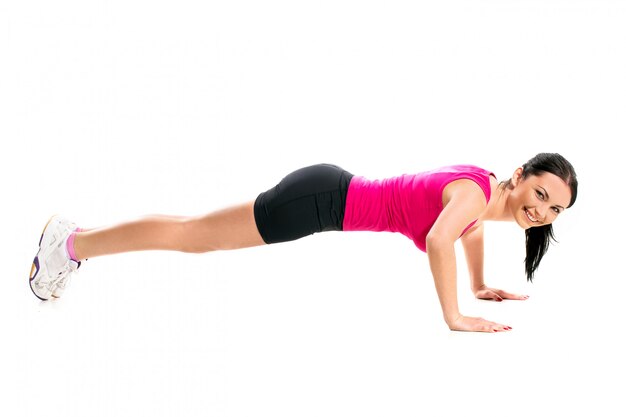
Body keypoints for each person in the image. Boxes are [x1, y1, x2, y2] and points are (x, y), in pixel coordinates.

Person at [28, 152, 577, 333]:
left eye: (556, 209)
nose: (542, 210)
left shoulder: (479, 193)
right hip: (319, 204)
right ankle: (70, 245)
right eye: (542, 192)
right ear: (523, 172)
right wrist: (454, 315)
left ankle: (74, 240)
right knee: (194, 236)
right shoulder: (475, 197)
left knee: (193, 230)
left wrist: (478, 285)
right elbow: (440, 238)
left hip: (326, 191)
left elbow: (465, 231)